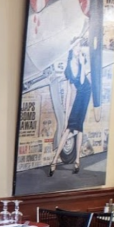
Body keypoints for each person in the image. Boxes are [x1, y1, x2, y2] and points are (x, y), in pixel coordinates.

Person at [49, 41, 91, 176]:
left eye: (79, 47)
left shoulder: (80, 63)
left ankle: (75, 159)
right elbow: (68, 92)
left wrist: (83, 64)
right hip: (80, 94)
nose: (78, 49)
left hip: (86, 92)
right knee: (71, 128)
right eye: (76, 47)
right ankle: (56, 160)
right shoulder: (68, 69)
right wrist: (66, 113)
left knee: (76, 128)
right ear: (71, 49)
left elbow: (83, 82)